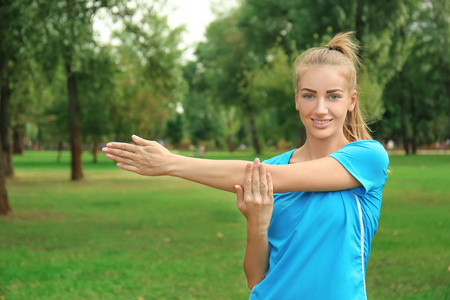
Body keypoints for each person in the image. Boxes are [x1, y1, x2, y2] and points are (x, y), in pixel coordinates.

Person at [102, 32, 389, 299]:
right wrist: (258, 224)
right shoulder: (272, 167)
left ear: (351, 101)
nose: (320, 108)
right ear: (297, 100)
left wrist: (171, 163)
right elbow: (255, 279)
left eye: (333, 96)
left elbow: (262, 176)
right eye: (309, 95)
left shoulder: (368, 158)